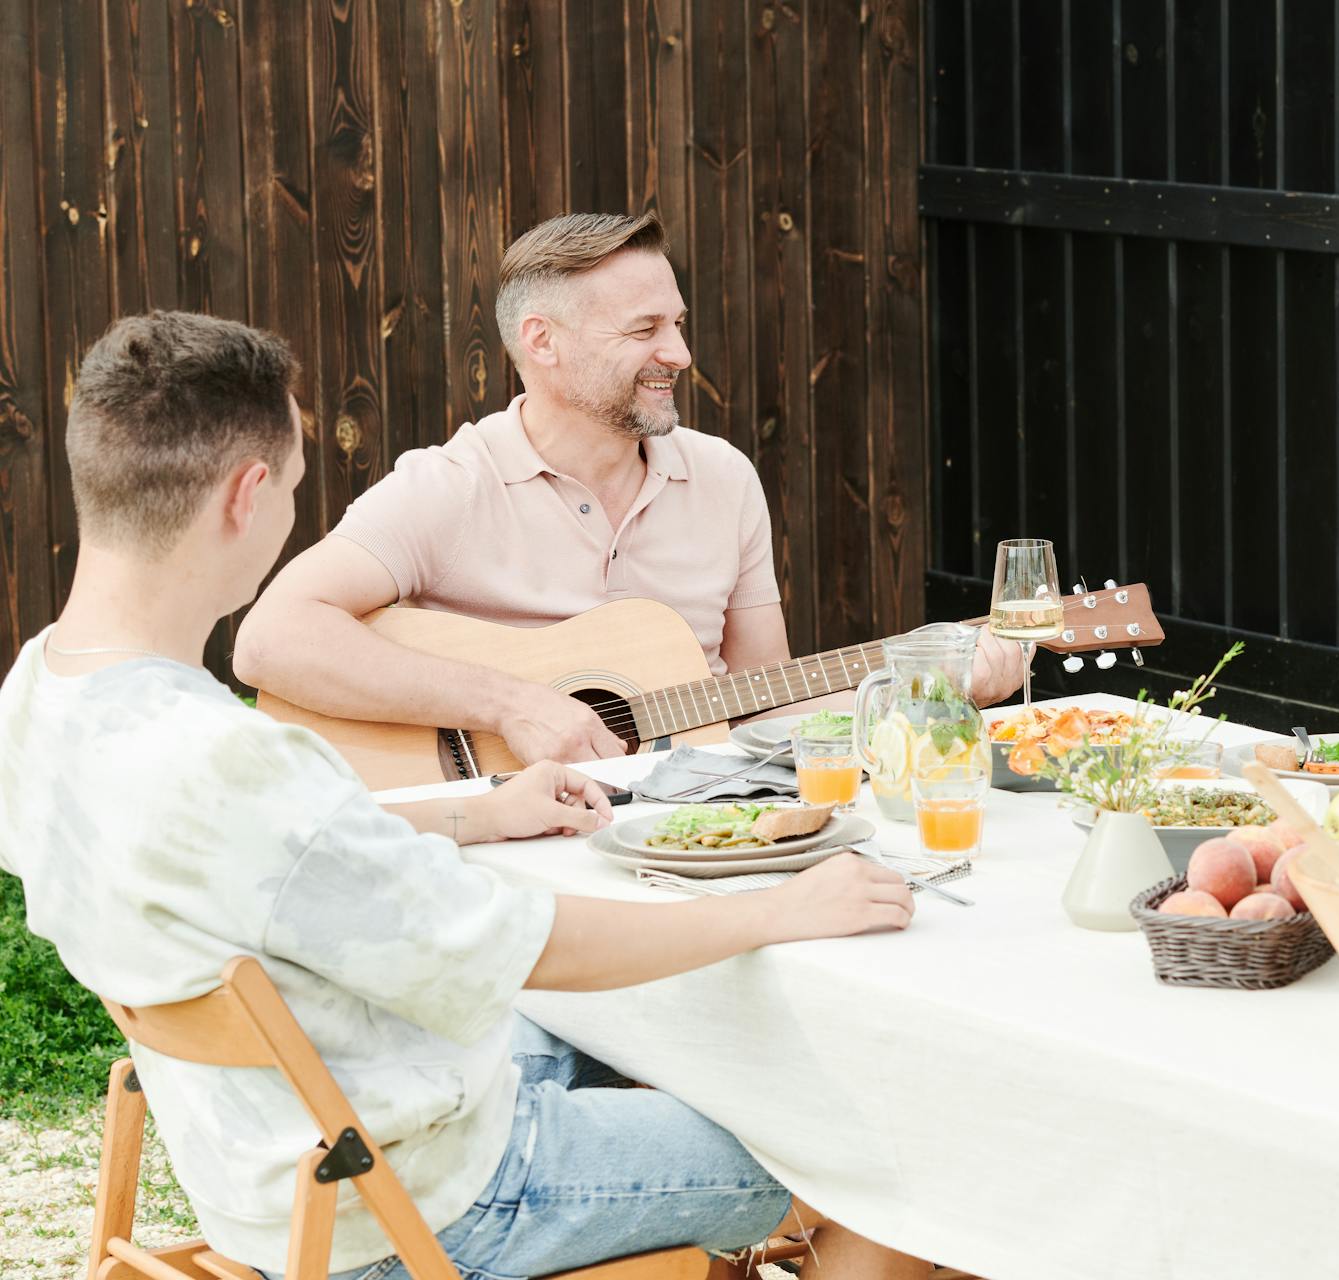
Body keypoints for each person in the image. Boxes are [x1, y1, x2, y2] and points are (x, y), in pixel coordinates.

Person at [0, 311, 930, 1277]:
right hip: (432, 1195)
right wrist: (778, 908)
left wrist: (473, 811)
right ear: (247, 495)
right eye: (293, 492)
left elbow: (284, 854)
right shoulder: (236, 760)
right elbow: (535, 945)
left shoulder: (42, 692)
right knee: (880, 1148)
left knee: (653, 1048)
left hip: (268, 1160)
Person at [233, 212, 1022, 765]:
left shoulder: (723, 479)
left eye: (677, 324)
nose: (678, 352)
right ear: (542, 341)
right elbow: (270, 641)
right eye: (645, 330)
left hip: (687, 833)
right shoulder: (451, 486)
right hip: (504, 842)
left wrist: (934, 683)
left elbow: (763, 708)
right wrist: (510, 705)